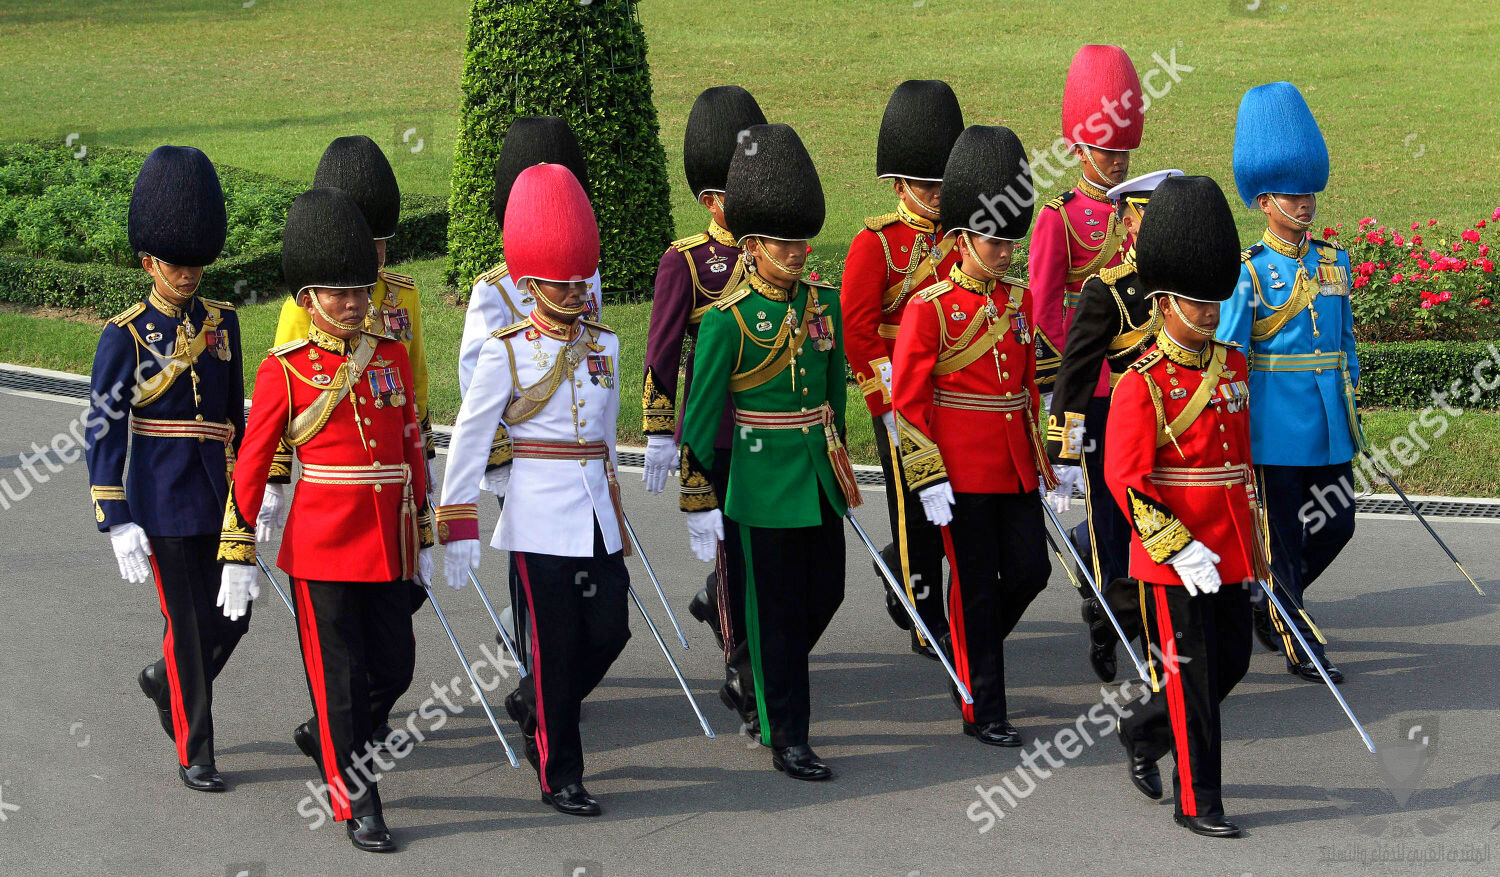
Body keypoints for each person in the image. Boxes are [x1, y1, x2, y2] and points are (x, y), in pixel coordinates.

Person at [217, 187, 434, 853]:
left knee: (395, 666)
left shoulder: (389, 354)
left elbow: (408, 446)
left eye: (359, 290)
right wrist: (237, 546)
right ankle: (356, 799)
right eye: (337, 292)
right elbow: (251, 463)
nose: (352, 302)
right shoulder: (286, 370)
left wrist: (423, 527)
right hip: (320, 548)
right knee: (338, 682)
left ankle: (329, 741)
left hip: (385, 543)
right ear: (307, 298)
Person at [438, 163, 629, 818]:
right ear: (528, 284)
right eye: (561, 281)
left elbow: (604, 434)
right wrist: (458, 520)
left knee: (609, 629)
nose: (577, 291)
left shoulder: (605, 343)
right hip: (537, 507)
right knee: (553, 645)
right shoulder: (506, 349)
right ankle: (560, 773)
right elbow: (469, 434)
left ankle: (533, 703)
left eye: (581, 279)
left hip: (595, 510)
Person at [678, 123, 860, 780]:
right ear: (751, 246)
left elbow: (834, 392)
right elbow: (699, 420)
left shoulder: (823, 306)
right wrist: (699, 496)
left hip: (816, 476)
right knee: (778, 612)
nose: (796, 251)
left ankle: (754, 671)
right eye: (783, 242)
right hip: (759, 482)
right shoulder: (727, 319)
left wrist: (837, 465)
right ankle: (789, 733)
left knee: (828, 593)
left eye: (800, 239)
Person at [85, 145, 245, 793]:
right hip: (161, 498)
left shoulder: (224, 323)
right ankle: (196, 749)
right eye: (175, 262)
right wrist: (114, 511)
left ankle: (163, 678)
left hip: (219, 494)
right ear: (149, 260)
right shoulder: (125, 334)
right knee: (187, 624)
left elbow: (235, 418)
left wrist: (252, 494)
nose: (187, 272)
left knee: (233, 618)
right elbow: (102, 425)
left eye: (195, 261)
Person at [891, 125, 1055, 748]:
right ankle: (983, 704)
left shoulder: (1019, 299)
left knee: (1030, 572)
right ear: (962, 236)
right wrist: (927, 476)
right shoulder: (930, 306)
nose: (1006, 251)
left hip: (1013, 464)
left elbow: (1026, 389)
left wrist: (1048, 461)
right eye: (994, 239)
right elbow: (908, 403)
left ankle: (966, 654)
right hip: (958, 472)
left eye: (1011, 238)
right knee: (978, 589)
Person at [1105, 175, 1257, 838]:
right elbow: (1127, 479)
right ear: (1163, 300)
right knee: (1194, 677)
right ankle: (1200, 801)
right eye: (1195, 302)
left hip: (1228, 545)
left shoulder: (1233, 365)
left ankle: (1142, 728)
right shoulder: (1141, 383)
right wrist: (1176, 544)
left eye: (1213, 301)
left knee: (1232, 661)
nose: (1208, 313)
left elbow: (1240, 463)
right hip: (1173, 556)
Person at [1218, 82, 1358, 684]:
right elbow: (1229, 354)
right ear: (1264, 199)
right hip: (1274, 424)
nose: (1305, 204)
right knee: (1282, 537)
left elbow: (1344, 342)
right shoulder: (1248, 270)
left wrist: (1352, 402)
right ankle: (1297, 637)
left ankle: (1268, 598)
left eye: (1309, 193)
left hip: (1328, 420)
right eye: (1292, 195)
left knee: (1338, 521)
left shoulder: (1333, 261)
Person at [641, 85, 768, 735]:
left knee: (763, 558)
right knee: (736, 557)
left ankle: (721, 606)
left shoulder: (771, 253)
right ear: (710, 198)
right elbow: (662, 352)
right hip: (715, 435)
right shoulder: (689, 261)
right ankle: (742, 673)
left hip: (771, 434)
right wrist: (660, 431)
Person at [458, 116, 603, 663]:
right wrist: (499, 458)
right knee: (535, 564)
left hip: (576, 451)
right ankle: (530, 657)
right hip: (524, 451)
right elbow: (476, 379)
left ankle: (554, 653)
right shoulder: (495, 290)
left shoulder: (585, 278)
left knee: (583, 559)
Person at [839, 80, 965, 656]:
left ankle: (904, 572)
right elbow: (861, 333)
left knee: (953, 502)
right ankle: (922, 612)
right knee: (913, 508)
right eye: (925, 184)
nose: (936, 194)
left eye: (943, 182)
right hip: (900, 396)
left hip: (954, 392)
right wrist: (889, 405)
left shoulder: (964, 240)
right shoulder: (877, 244)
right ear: (899, 184)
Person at [1029, 43, 1146, 653]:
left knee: (1137, 492)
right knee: (1105, 497)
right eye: (1107, 149)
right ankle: (1109, 603)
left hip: (1138, 374)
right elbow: (1046, 304)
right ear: (1079, 146)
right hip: (1093, 379)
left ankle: (1110, 575)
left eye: (1125, 149)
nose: (1119, 161)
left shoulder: (1142, 210)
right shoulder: (1060, 215)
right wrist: (1066, 378)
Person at [1045, 169, 1182, 682]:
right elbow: (1075, 377)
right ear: (1126, 222)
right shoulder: (1109, 290)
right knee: (1117, 534)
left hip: (1175, 427)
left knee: (1166, 532)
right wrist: (1066, 455)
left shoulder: (1184, 285)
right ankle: (1110, 621)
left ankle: (1162, 636)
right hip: (1115, 427)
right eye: (1147, 218)